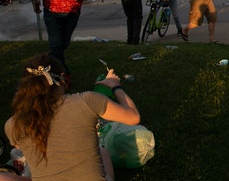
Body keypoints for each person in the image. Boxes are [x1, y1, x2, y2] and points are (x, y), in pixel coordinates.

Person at [2, 54, 140, 181]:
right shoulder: (87, 100)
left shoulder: (13, 124)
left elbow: (19, 146)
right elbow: (133, 117)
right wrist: (114, 86)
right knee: (103, 151)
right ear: (62, 78)